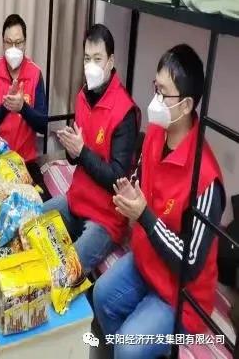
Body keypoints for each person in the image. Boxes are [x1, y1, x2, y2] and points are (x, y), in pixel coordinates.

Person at [93, 45, 226, 359]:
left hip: (181, 294)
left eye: (163, 93)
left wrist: (145, 216)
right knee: (101, 295)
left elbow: (189, 265)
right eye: (155, 87)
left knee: (128, 347)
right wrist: (131, 192)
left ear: (186, 104)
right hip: (147, 261)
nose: (154, 100)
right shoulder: (155, 133)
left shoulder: (206, 179)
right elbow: (142, 182)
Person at [43, 24, 139, 273]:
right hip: (76, 200)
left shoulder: (125, 112)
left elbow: (117, 178)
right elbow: (75, 159)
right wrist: (71, 148)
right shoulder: (82, 96)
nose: (91, 66)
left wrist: (82, 151)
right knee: (31, 223)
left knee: (67, 270)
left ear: (111, 62)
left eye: (98, 59)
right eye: (87, 59)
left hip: (105, 218)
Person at [0, 14, 48, 191]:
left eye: (18, 43)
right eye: (9, 43)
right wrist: (5, 107)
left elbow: (43, 125)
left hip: (27, 162)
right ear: (2, 43)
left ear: (25, 43)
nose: (14, 48)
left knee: (43, 203)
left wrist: (22, 108)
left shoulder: (35, 74)